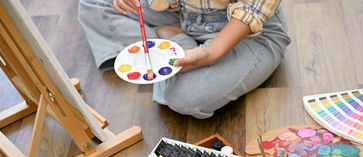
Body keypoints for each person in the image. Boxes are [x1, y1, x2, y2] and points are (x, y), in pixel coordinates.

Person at [79, 0, 290, 118]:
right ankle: (174, 47)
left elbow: (251, 11)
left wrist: (211, 53)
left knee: (185, 96)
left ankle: (175, 40)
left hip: (246, 31)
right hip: (181, 12)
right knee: (94, 3)